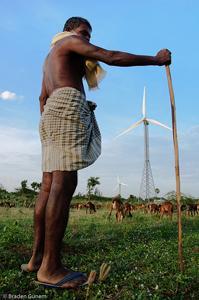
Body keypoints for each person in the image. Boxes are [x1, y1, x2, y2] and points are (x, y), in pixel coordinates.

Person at [21, 17, 171, 289]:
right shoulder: (68, 43)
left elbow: (42, 98)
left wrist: (51, 120)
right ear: (69, 31)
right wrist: (156, 59)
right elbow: (110, 56)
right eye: (84, 34)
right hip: (64, 109)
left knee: (47, 186)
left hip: (50, 113)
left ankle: (37, 259)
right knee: (63, 184)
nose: (86, 40)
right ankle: (50, 268)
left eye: (89, 36)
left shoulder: (50, 59)